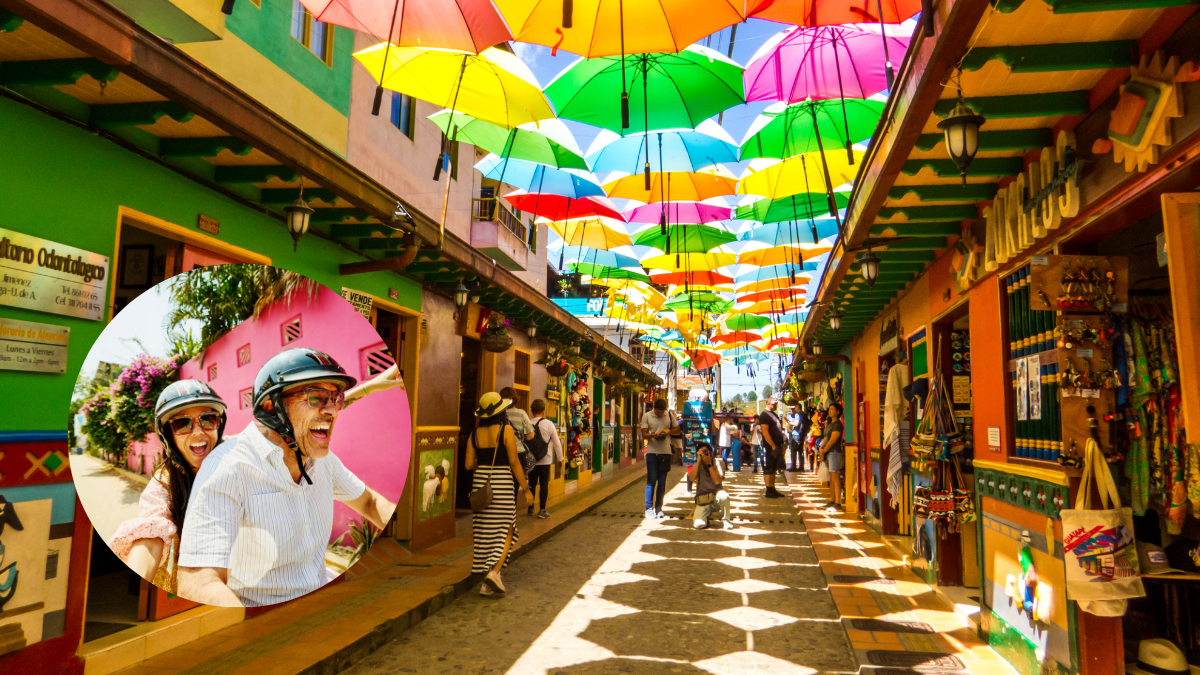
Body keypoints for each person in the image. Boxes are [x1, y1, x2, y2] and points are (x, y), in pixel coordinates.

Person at [177, 348, 397, 607]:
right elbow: (199, 581)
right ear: (271, 407)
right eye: (315, 398)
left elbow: (369, 503)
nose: (332, 411)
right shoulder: (228, 467)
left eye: (335, 399)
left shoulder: (322, 460)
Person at [108, 380, 228, 595]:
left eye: (208, 420)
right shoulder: (165, 481)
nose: (198, 432)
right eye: (182, 424)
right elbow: (152, 528)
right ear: (168, 435)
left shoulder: (241, 457)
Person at [466, 392, 534, 596]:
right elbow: (514, 461)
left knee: (485, 533)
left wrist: (484, 464)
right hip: (502, 483)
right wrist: (526, 488)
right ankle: (494, 573)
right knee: (507, 529)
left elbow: (469, 464)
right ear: (500, 411)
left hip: (481, 483)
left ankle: (487, 585)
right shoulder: (506, 431)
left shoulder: (474, 434)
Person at [499, 387, 538, 513]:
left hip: (501, 452)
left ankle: (501, 511)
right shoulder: (521, 413)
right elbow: (530, 435)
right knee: (514, 485)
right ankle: (511, 515)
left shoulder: (498, 414)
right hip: (518, 452)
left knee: (500, 484)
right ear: (515, 399)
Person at [640, 398, 679, 519]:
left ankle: (658, 508)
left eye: (662, 412)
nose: (660, 414)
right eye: (658, 412)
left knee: (662, 482)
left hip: (665, 452)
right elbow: (644, 433)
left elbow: (677, 430)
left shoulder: (670, 415)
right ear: (654, 409)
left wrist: (669, 430)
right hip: (652, 452)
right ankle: (648, 508)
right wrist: (651, 435)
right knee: (651, 480)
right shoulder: (646, 416)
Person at [528, 398, 563, 519]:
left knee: (531, 483)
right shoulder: (549, 424)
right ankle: (542, 510)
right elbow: (557, 443)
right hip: (545, 459)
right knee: (543, 484)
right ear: (543, 411)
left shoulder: (527, 422)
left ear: (532, 411)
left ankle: (530, 507)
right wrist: (560, 458)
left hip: (531, 459)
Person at [691, 443, 733, 530]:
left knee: (724, 496)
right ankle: (705, 519)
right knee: (699, 525)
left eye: (706, 452)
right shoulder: (697, 464)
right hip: (703, 499)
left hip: (716, 497)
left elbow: (717, 480)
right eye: (701, 453)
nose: (704, 454)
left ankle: (726, 521)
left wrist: (709, 464)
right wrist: (699, 460)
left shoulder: (718, 463)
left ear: (711, 453)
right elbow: (691, 478)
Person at [758, 399, 787, 499]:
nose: (776, 406)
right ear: (768, 403)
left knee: (774, 468)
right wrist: (772, 445)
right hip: (770, 447)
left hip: (778, 445)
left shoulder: (774, 415)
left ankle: (772, 488)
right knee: (769, 468)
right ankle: (768, 489)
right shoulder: (764, 416)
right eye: (774, 404)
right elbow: (765, 432)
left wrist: (782, 444)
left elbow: (779, 430)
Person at [821, 402, 846, 510]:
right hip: (828, 453)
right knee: (831, 478)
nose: (830, 411)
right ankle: (832, 499)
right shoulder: (830, 424)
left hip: (834, 452)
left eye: (832, 409)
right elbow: (826, 439)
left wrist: (823, 450)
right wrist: (822, 449)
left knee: (835, 477)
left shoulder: (838, 425)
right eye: (829, 409)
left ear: (838, 412)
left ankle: (837, 502)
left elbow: (832, 440)